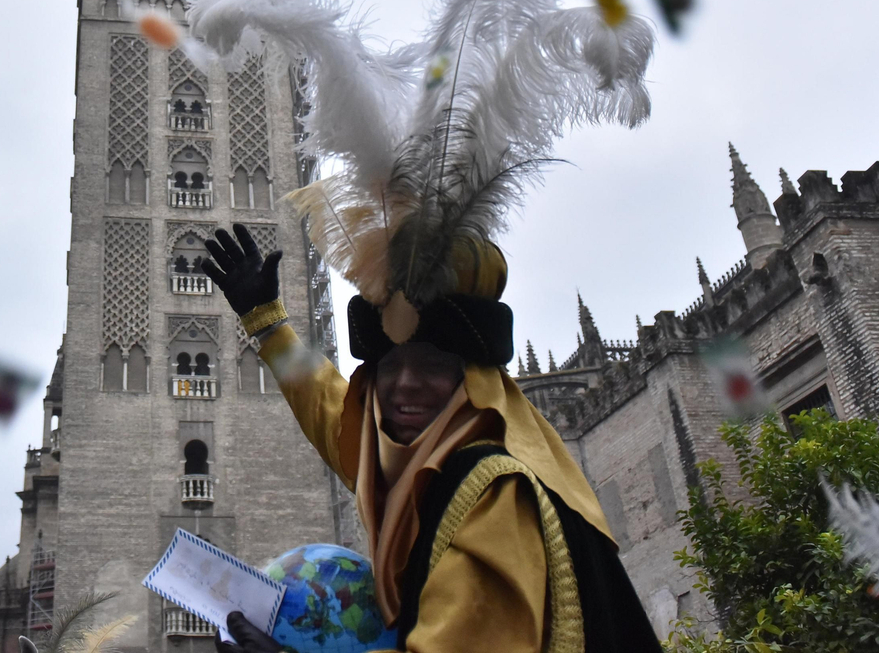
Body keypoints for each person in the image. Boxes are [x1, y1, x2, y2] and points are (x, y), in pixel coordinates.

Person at [201, 224, 659, 653]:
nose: (404, 385)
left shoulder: (494, 491)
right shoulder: (422, 467)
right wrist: (265, 321)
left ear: (473, 380)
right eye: (390, 365)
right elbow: (330, 410)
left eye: (433, 364)